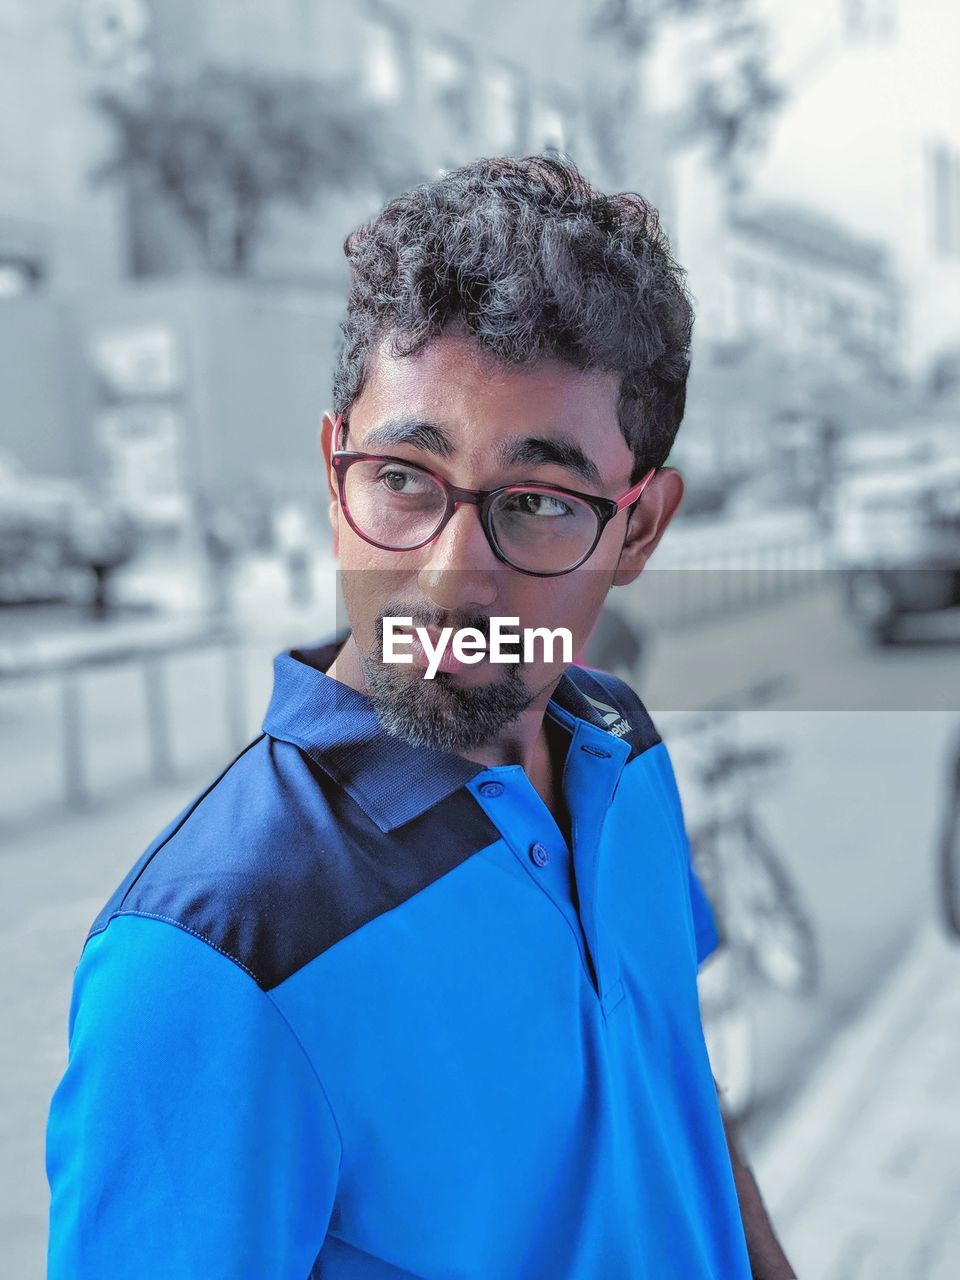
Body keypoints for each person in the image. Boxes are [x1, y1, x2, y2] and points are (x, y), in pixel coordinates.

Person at [45, 155, 796, 1278]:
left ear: (640, 529)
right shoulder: (211, 957)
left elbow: (672, 1074)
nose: (451, 575)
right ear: (331, 470)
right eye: (403, 476)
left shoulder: (623, 749)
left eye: (537, 501)